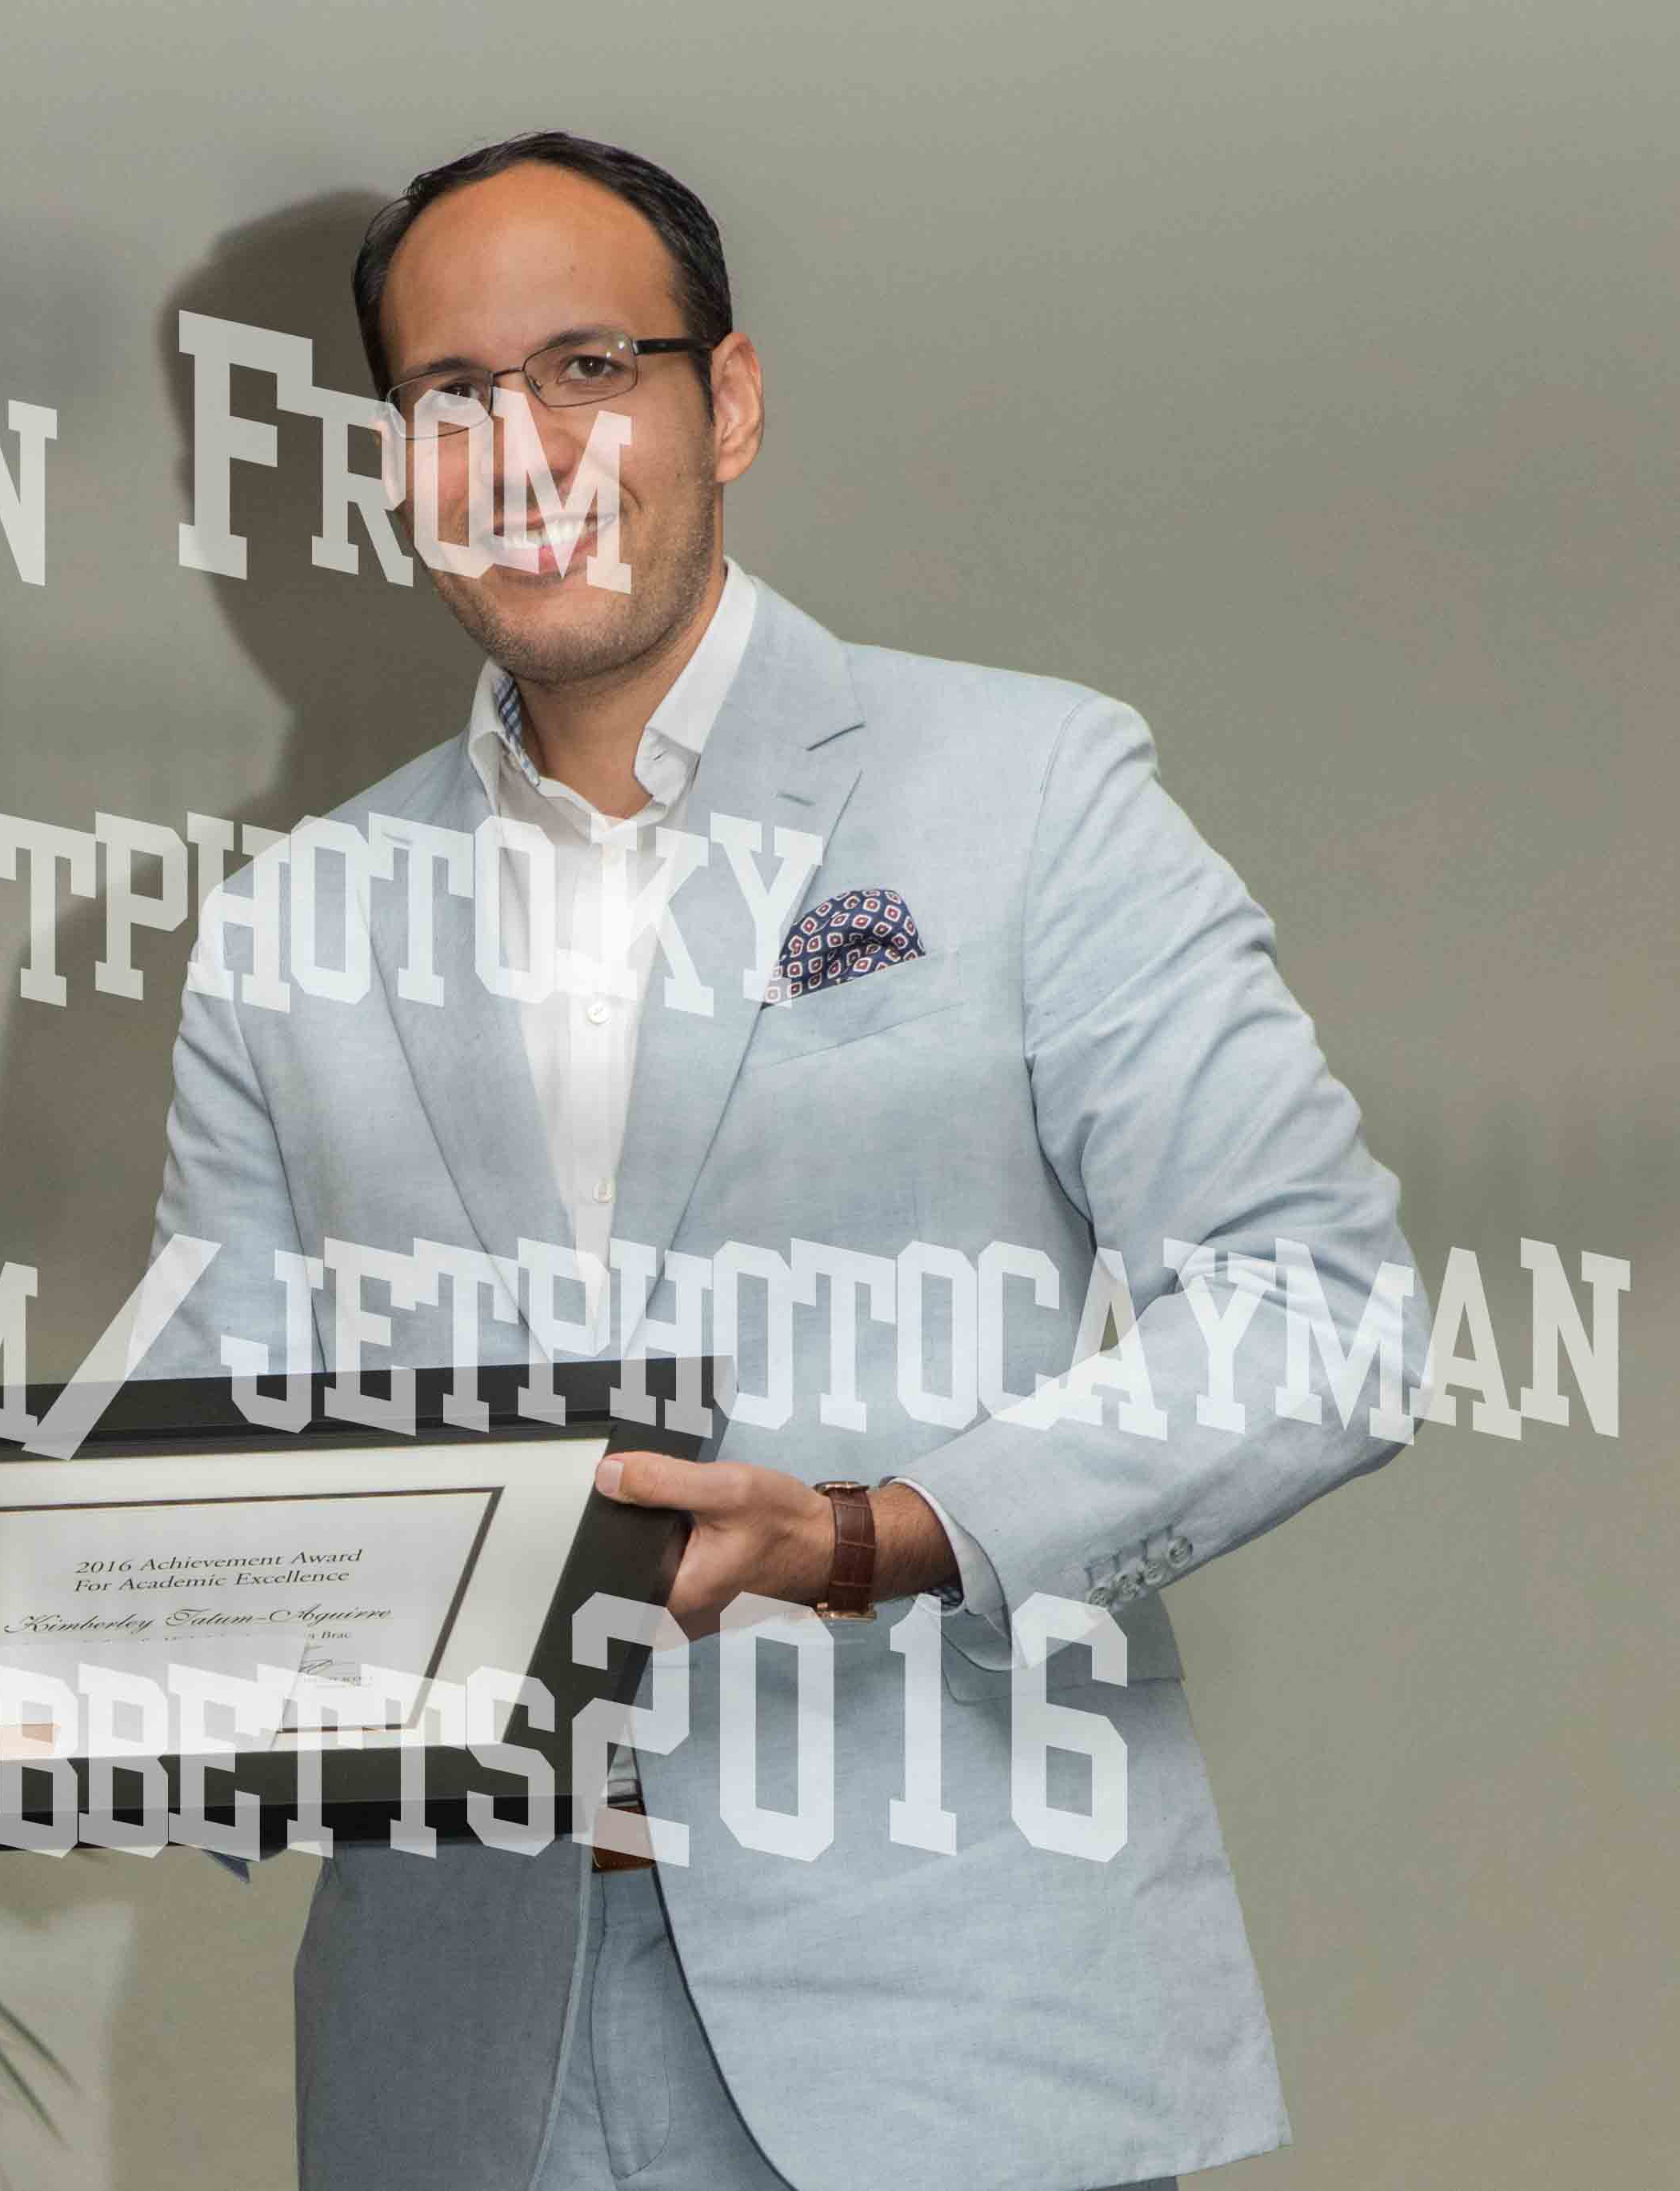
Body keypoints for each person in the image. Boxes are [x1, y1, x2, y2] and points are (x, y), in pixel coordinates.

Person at [145, 137, 1426, 2191]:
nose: (523, 449)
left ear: (726, 401)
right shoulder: (289, 921)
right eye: (453, 393)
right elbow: (210, 1457)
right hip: (458, 2049)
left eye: (590, 367)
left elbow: (1318, 1314)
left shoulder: (1031, 789)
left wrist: (870, 1531)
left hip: (956, 2018)